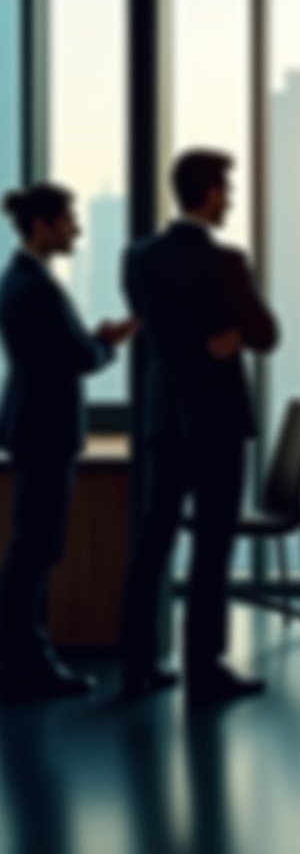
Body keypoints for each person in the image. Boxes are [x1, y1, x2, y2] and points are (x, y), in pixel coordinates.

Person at [119, 150, 279, 704]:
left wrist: (199, 343)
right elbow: (268, 332)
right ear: (209, 193)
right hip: (218, 421)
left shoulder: (138, 257)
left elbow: (160, 332)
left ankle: (137, 663)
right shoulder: (227, 262)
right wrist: (232, 332)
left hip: (166, 416)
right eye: (227, 190)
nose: (230, 200)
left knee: (152, 540)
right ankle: (203, 669)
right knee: (213, 547)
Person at [0, 184, 135, 699]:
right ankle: (26, 660)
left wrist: (93, 341)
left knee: (31, 545)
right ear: (42, 226)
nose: (76, 230)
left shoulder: (20, 279)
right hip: (46, 431)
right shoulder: (36, 288)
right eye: (68, 221)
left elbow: (58, 350)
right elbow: (72, 358)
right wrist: (107, 344)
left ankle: (23, 655)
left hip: (31, 425)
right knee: (37, 546)